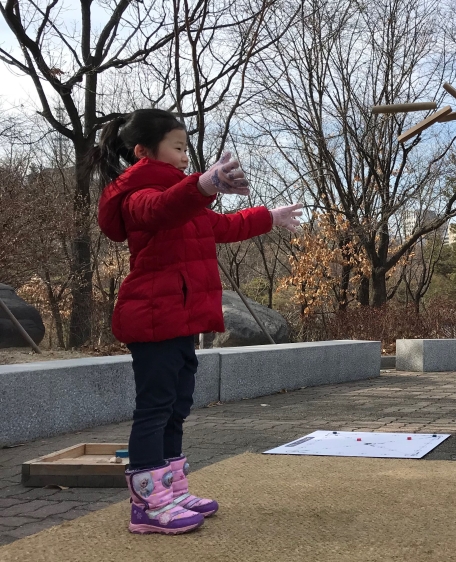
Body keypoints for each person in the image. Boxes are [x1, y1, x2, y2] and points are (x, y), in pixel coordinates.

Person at [95, 108, 303, 534]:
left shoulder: (180, 194)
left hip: (179, 317)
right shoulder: (137, 195)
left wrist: (269, 216)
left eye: (187, 148)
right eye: (178, 147)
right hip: (153, 317)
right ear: (143, 151)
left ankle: (170, 490)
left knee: (176, 407)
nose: (185, 156)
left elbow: (221, 226)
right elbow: (164, 208)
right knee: (154, 410)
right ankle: (148, 506)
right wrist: (204, 184)